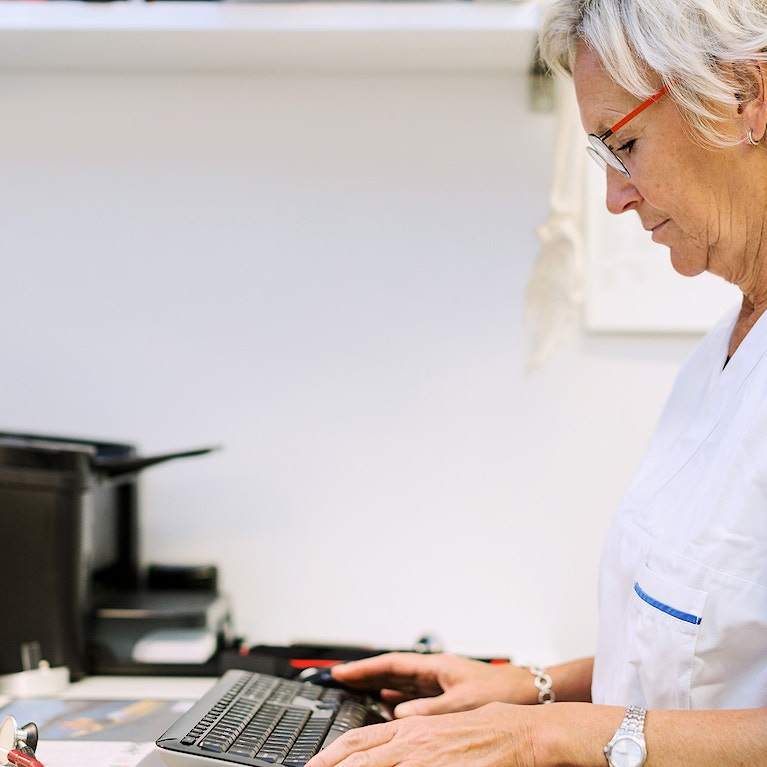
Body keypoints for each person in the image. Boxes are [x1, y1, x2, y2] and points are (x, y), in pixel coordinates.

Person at [305, 0, 767, 764]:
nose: (616, 196)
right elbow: (707, 657)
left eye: (626, 144)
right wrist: (534, 688)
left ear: (747, 97)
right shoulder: (725, 347)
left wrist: (543, 735)